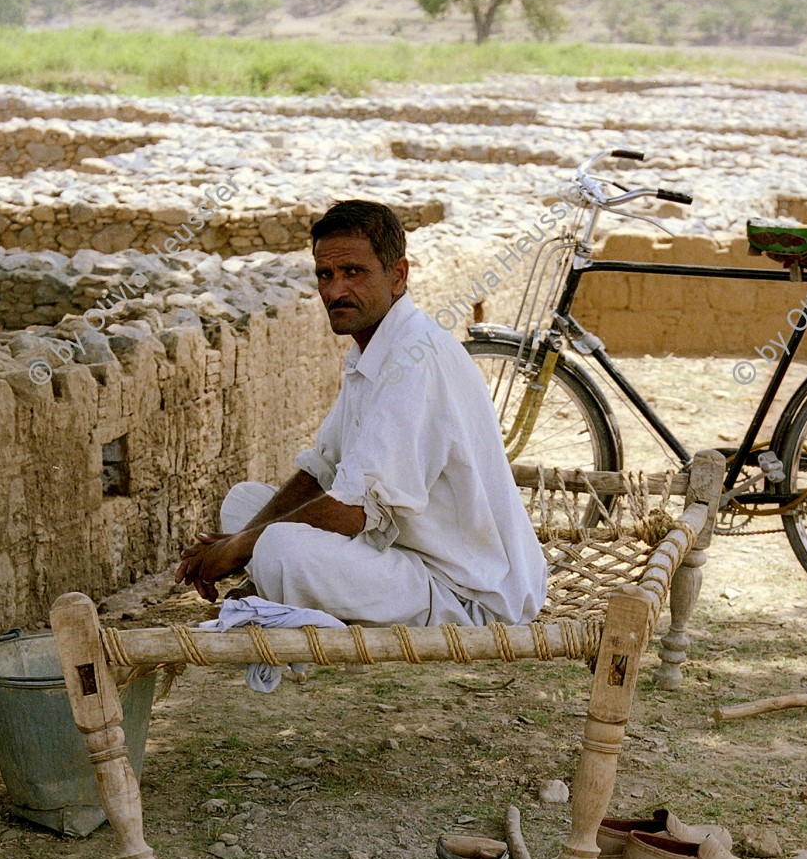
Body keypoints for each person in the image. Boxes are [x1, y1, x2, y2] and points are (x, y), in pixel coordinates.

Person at [175, 199, 547, 627]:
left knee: (278, 547)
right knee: (245, 504)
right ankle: (271, 582)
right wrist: (238, 541)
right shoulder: (372, 350)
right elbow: (320, 472)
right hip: (399, 554)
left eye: (353, 272)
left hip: (466, 591)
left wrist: (238, 551)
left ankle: (272, 584)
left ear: (398, 276)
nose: (334, 291)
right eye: (325, 275)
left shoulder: (413, 358)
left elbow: (352, 512)